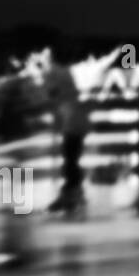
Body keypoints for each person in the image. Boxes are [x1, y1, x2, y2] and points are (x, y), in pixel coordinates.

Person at [46, 49, 90, 219]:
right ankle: (74, 193)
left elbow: (52, 94)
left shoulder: (54, 72)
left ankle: (72, 195)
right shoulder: (67, 72)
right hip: (76, 119)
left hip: (71, 121)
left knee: (70, 159)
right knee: (72, 158)